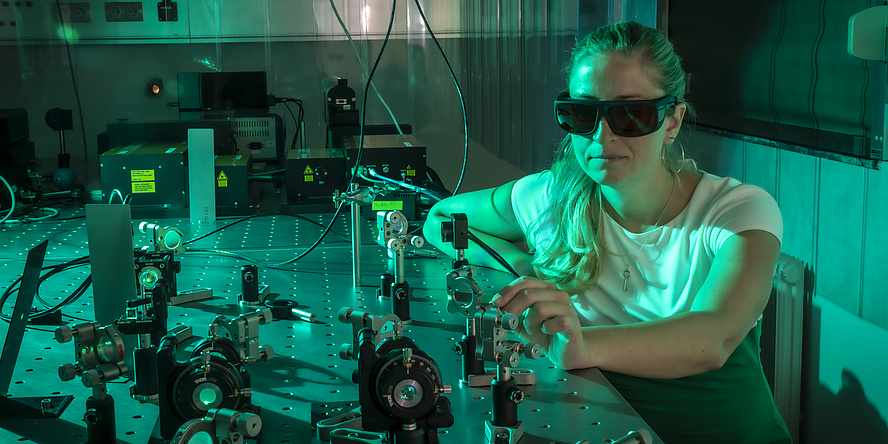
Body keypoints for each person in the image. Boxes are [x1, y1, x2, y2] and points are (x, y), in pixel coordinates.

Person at [423, 21, 792, 444]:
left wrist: (582, 347)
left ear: (672, 121)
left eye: (630, 114)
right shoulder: (550, 197)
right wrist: (521, 265)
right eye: (583, 113)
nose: (602, 136)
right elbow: (440, 219)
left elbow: (714, 338)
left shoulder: (735, 210)